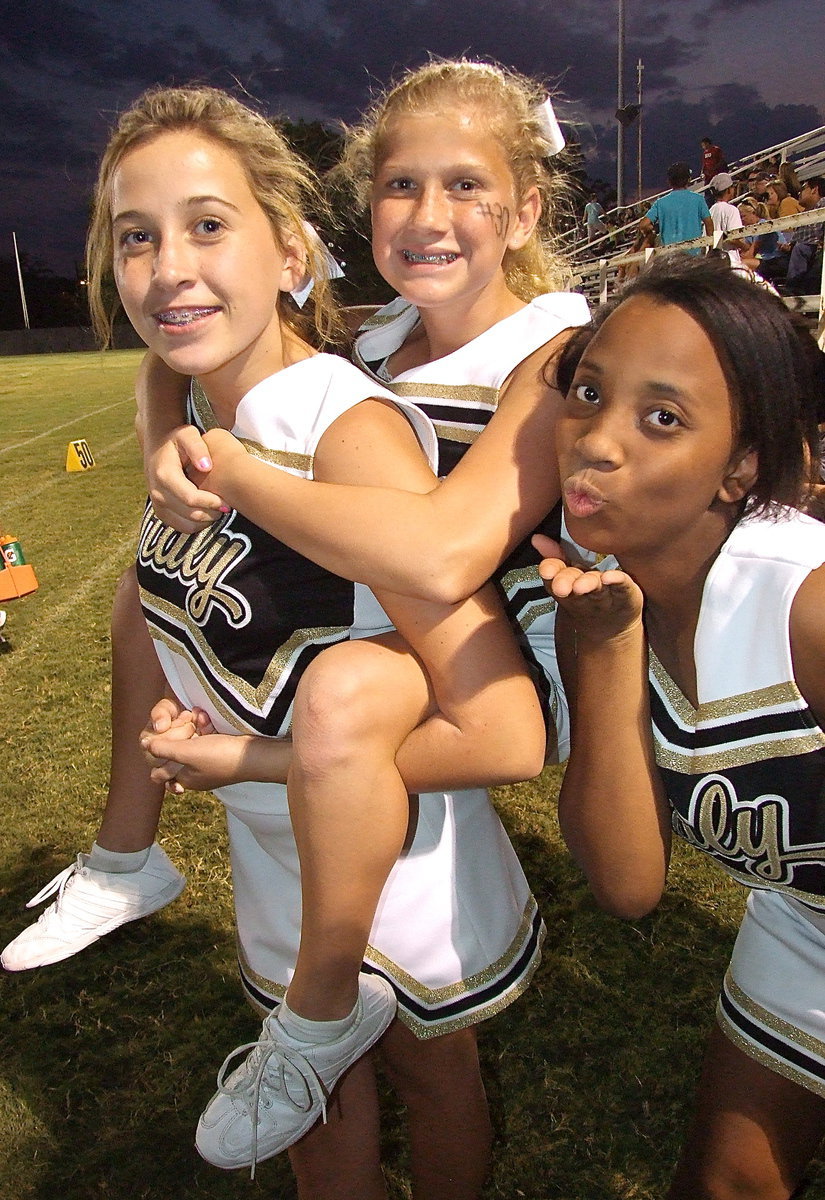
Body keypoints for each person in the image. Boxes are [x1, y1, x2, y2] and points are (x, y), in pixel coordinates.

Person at [6, 63, 588, 1196]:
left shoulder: (542, 356)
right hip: (282, 824)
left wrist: (224, 468)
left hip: (420, 776)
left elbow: (449, 583)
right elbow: (215, 354)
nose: (168, 264)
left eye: (468, 184)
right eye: (135, 239)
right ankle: (126, 855)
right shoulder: (377, 352)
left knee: (428, 1071)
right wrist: (162, 412)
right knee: (317, 1107)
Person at [536, 253, 825, 1200]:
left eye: (661, 418)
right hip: (803, 918)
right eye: (587, 392)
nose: (596, 442)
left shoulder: (805, 605)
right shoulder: (597, 608)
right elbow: (626, 883)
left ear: (738, 467)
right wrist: (605, 654)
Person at [639, 162, 712, 253]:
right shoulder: (698, 199)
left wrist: (652, 232)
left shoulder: (660, 203)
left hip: (669, 257)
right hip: (694, 257)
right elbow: (709, 223)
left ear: (669, 181)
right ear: (689, 180)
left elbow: (644, 224)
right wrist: (711, 248)